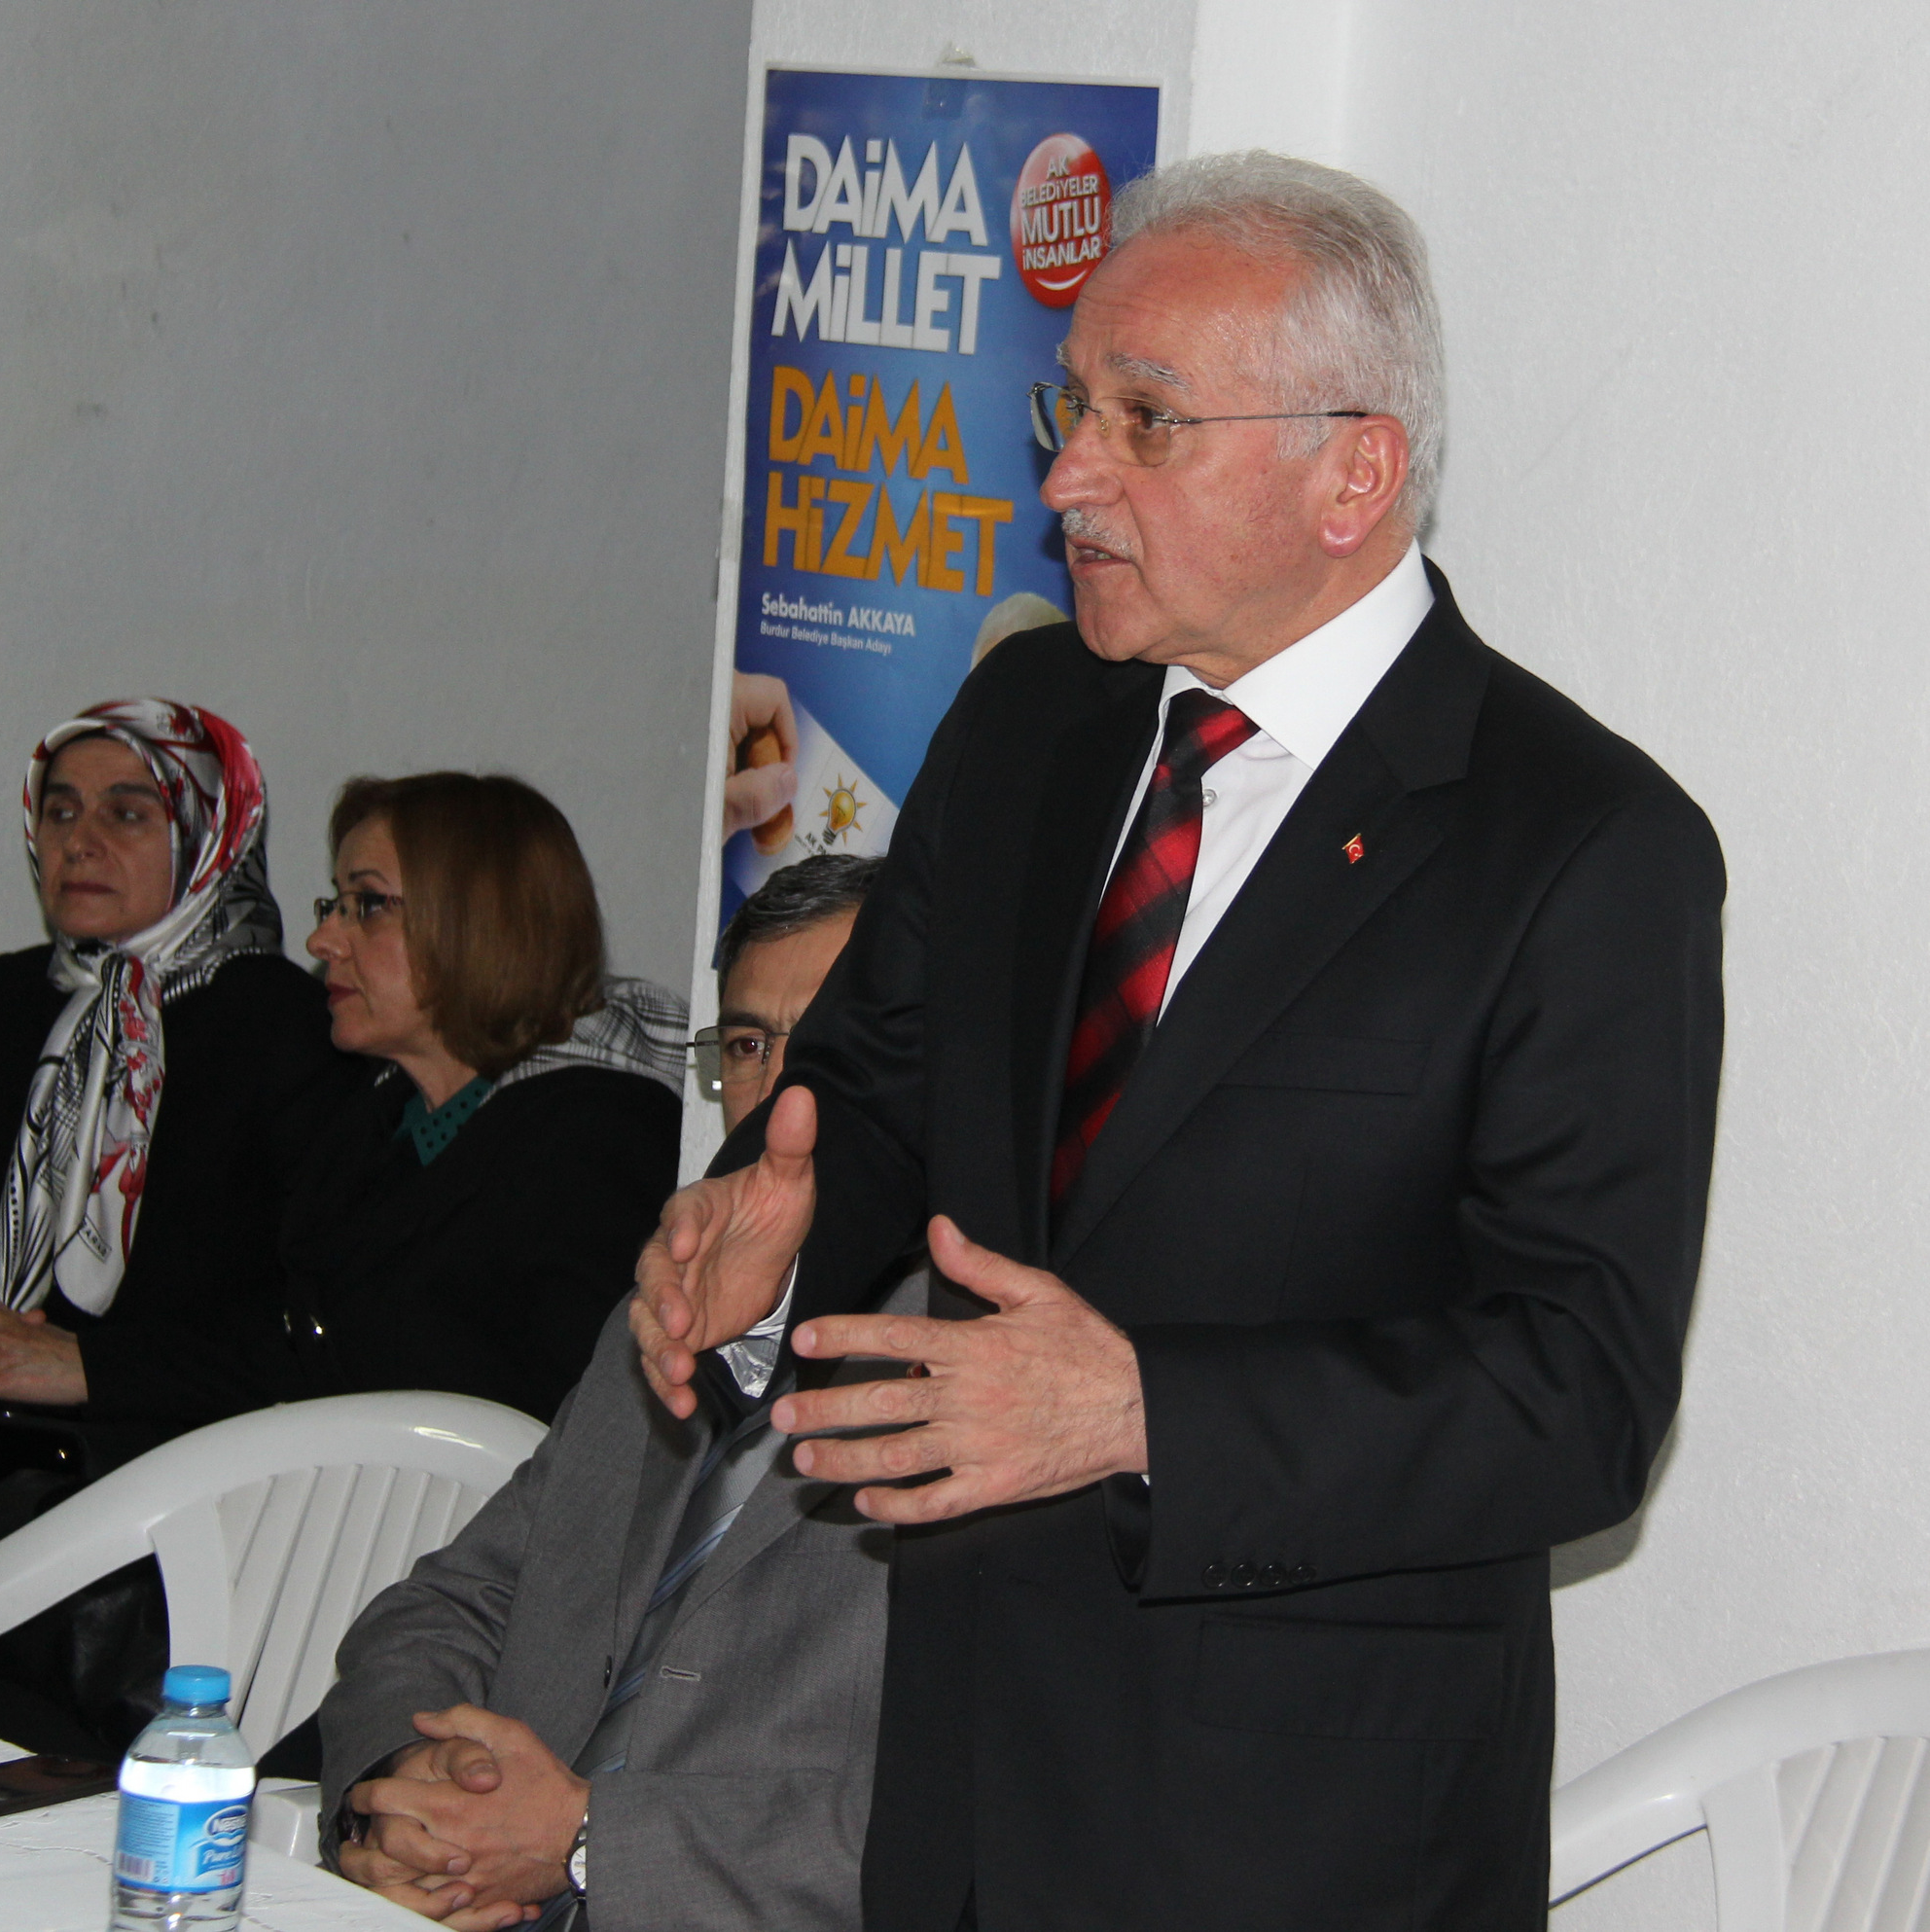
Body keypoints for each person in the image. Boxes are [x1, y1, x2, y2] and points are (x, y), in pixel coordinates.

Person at [632, 152, 1726, 1930]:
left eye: (1145, 422)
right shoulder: (1025, 720)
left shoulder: (1579, 847)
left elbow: (1578, 1394)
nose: (1067, 474)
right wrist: (766, 1235)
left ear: (1351, 473)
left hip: (1300, 1838)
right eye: (1069, 409)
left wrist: (1141, 1409)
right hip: (963, 1791)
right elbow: (879, 1094)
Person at [318, 854, 897, 1932]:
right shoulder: (663, 1304)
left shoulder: (978, 1374)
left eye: (828, 1043)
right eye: (747, 1046)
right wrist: (407, 1786)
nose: (781, 1091)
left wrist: (587, 1843)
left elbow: (967, 1824)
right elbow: (450, 1604)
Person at [0, 698, 337, 1427]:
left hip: (194, 1436)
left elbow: (312, 1318)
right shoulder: (7, 1000)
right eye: (60, 812)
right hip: (9, 1421)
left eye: (126, 815)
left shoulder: (285, 1020)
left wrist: (91, 1369)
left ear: (207, 837)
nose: (79, 844)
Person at [273, 772, 685, 1423]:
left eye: (368, 904)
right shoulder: (380, 1119)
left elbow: (594, 1431)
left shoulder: (595, 1143)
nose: (322, 941)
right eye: (334, 904)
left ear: (480, 923)